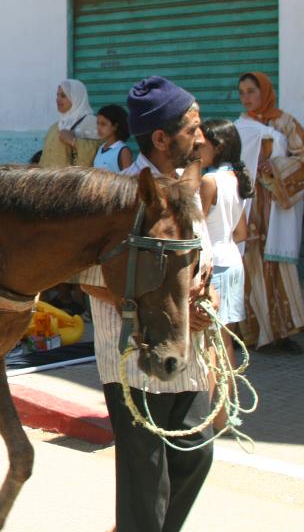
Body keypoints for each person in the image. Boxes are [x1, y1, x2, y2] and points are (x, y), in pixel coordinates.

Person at [82, 75, 213, 532]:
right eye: (190, 128)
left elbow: (198, 260)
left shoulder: (183, 186)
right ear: (160, 138)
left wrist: (203, 290)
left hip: (188, 348)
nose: (200, 137)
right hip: (134, 355)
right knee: (146, 478)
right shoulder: (118, 194)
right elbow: (89, 279)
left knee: (196, 452)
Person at [234, 71, 304, 353]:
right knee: (248, 266)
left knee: (275, 269)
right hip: (248, 206)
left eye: (251, 91)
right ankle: (246, 333)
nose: (246, 98)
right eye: (241, 92)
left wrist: (275, 168)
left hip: (276, 206)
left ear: (264, 92)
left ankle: (280, 334)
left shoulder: (286, 122)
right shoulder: (240, 126)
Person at [199, 118, 252, 430]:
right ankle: (226, 414)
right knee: (225, 341)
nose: (196, 147)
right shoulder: (236, 178)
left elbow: (197, 229)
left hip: (213, 265)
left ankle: (208, 415)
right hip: (232, 261)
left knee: (209, 346)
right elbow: (242, 232)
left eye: (201, 142)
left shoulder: (210, 182)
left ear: (216, 146)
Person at [40, 79, 100, 168]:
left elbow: (101, 152)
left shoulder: (92, 123)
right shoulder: (56, 126)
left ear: (76, 97)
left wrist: (74, 142)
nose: (57, 99)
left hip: (74, 180)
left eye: (63, 96)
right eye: (57, 95)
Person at [93, 104, 133, 173]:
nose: (98, 128)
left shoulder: (123, 151)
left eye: (103, 124)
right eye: (98, 123)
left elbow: (128, 180)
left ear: (115, 126)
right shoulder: (101, 148)